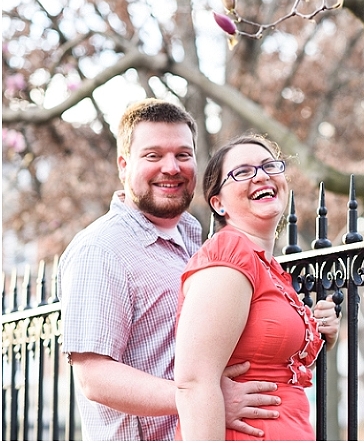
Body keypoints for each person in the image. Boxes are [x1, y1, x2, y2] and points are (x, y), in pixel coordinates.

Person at [58, 99, 282, 440]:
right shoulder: (100, 249)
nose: (172, 168)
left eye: (182, 155)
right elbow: (95, 377)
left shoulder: (199, 242)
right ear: (123, 164)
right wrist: (201, 399)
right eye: (153, 155)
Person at [174, 134, 341, 441]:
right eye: (243, 172)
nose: (261, 175)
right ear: (218, 203)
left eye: (269, 166)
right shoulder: (229, 256)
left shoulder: (267, 267)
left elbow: (270, 367)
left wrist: (321, 331)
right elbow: (194, 382)